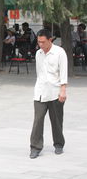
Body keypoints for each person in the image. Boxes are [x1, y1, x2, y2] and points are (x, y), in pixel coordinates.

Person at [29, 29, 68, 159]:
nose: (40, 44)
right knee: (37, 120)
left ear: (50, 40)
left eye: (43, 42)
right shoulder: (38, 54)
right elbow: (39, 73)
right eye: (39, 42)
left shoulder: (59, 53)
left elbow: (63, 72)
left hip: (55, 92)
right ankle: (35, 147)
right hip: (40, 91)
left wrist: (63, 90)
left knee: (56, 120)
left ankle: (58, 144)